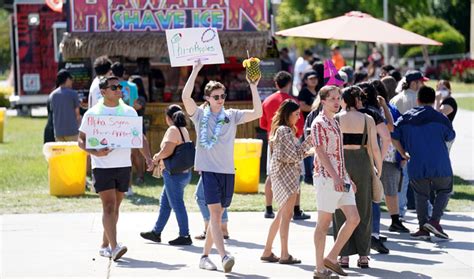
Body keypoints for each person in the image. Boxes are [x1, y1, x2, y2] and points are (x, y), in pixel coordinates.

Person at [182, 60, 262, 273]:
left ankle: (204, 256)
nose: (220, 99)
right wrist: (196, 70)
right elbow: (185, 97)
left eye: (223, 96)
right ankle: (224, 255)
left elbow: (257, 113)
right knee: (215, 216)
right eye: (216, 97)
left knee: (216, 218)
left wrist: (253, 85)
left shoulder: (232, 115)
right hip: (208, 172)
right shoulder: (199, 115)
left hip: (228, 171)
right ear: (207, 99)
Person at [78, 76, 153, 261]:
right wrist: (95, 152)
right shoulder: (92, 114)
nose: (120, 89)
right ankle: (114, 247)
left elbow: (140, 138)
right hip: (102, 166)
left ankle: (104, 245)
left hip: (123, 166)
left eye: (120, 86)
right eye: (114, 87)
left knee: (116, 207)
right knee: (109, 206)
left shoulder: (129, 112)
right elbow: (81, 140)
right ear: (103, 92)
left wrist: (149, 159)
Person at [392, 86, 455, 240]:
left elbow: (393, 135)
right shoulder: (441, 118)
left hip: (416, 162)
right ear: (434, 100)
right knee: (445, 190)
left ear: (418, 100)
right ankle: (434, 220)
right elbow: (450, 136)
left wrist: (402, 153)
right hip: (439, 162)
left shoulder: (405, 118)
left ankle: (423, 228)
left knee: (421, 195)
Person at [311, 85, 360, 278]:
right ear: (323, 101)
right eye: (332, 98)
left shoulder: (335, 122)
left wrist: (346, 177)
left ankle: (331, 258)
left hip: (340, 178)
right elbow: (321, 153)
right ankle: (319, 268)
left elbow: (338, 154)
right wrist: (336, 177)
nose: (337, 101)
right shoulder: (319, 123)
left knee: (354, 218)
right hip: (326, 179)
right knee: (323, 224)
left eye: (338, 98)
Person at [333, 86, 382, 268]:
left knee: (340, 208)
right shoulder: (368, 119)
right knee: (364, 209)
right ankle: (363, 256)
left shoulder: (336, 118)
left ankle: (342, 256)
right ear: (356, 100)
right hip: (362, 162)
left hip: (342, 162)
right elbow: (374, 148)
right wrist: (378, 169)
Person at [261, 100, 312, 265]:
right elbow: (291, 156)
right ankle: (284, 254)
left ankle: (268, 251)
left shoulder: (282, 130)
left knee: (281, 216)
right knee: (285, 216)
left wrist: (308, 144)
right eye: (296, 114)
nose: (298, 117)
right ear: (288, 114)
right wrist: (310, 147)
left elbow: (292, 153)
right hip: (286, 178)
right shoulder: (284, 130)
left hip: (283, 177)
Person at [140, 105, 193, 245]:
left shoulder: (173, 129)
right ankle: (156, 233)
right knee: (165, 204)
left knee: (177, 205)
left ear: (168, 118)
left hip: (174, 175)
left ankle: (185, 235)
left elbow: (167, 151)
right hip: (183, 174)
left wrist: (156, 157)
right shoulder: (183, 130)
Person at [260, 71, 309, 220]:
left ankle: (268, 208)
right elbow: (299, 124)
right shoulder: (293, 102)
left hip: (273, 140)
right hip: (292, 139)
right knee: (296, 173)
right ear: (289, 83)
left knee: (271, 174)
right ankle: (296, 209)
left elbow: (263, 124)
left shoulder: (267, 100)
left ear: (276, 84)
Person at [390, 70, 428, 220]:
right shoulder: (417, 99)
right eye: (421, 81)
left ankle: (399, 211)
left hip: (396, 143)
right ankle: (425, 211)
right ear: (414, 83)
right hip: (412, 145)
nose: (423, 84)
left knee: (401, 181)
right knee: (417, 180)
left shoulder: (395, 99)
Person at [298, 70, 319, 184]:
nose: (314, 80)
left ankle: (314, 171)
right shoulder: (304, 92)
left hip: (318, 124)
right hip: (307, 125)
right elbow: (302, 106)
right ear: (306, 81)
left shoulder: (319, 91)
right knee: (307, 149)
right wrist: (315, 108)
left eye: (315, 78)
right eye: (311, 78)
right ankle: (308, 175)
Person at [194, 175, 230, 240]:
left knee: (200, 197)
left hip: (210, 168)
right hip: (223, 169)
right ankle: (223, 230)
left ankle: (209, 230)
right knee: (220, 197)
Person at [49, 69, 81, 141]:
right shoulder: (73, 94)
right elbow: (77, 115)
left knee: (62, 152)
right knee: (73, 152)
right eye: (71, 79)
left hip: (58, 132)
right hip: (72, 132)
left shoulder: (52, 95)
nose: (72, 81)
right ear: (67, 79)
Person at [129, 75, 149, 185]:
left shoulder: (141, 97)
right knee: (132, 154)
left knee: (136, 153)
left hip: (137, 126)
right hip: (129, 125)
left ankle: (140, 176)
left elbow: (136, 107)